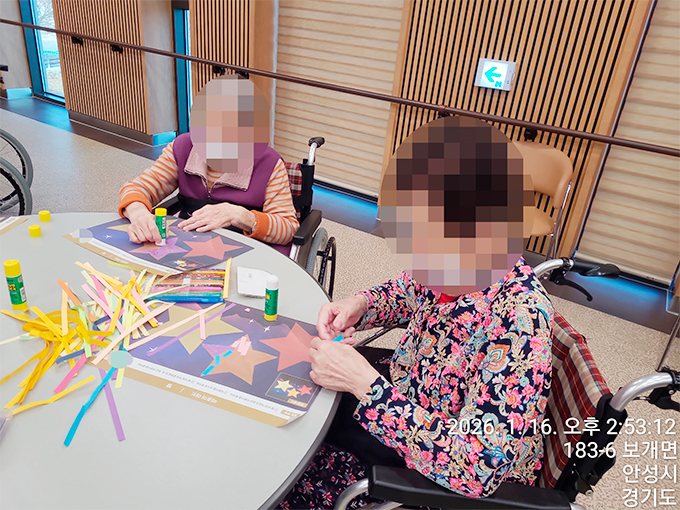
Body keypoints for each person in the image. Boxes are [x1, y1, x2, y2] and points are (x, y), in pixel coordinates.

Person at [278, 117, 553, 509]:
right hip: (408, 401)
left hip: (434, 477)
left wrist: (364, 385)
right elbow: (407, 290)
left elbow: (477, 466)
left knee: (284, 472)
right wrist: (359, 305)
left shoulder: (521, 321)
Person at [118, 75, 299, 251]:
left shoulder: (270, 164)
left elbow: (287, 229)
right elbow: (136, 188)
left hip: (247, 253)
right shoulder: (183, 148)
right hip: (188, 248)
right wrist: (139, 214)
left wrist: (240, 215)